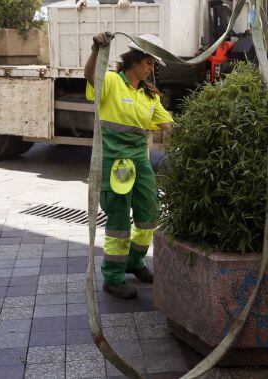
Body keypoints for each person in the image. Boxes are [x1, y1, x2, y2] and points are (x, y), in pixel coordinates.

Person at [83, 32, 173, 299]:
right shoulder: (111, 82)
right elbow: (90, 76)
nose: (150, 69)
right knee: (119, 222)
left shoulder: (149, 96)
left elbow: (168, 125)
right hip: (114, 163)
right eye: (148, 63)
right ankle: (113, 276)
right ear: (134, 61)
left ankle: (135, 261)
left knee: (149, 217)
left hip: (140, 162)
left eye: (152, 65)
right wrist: (96, 50)